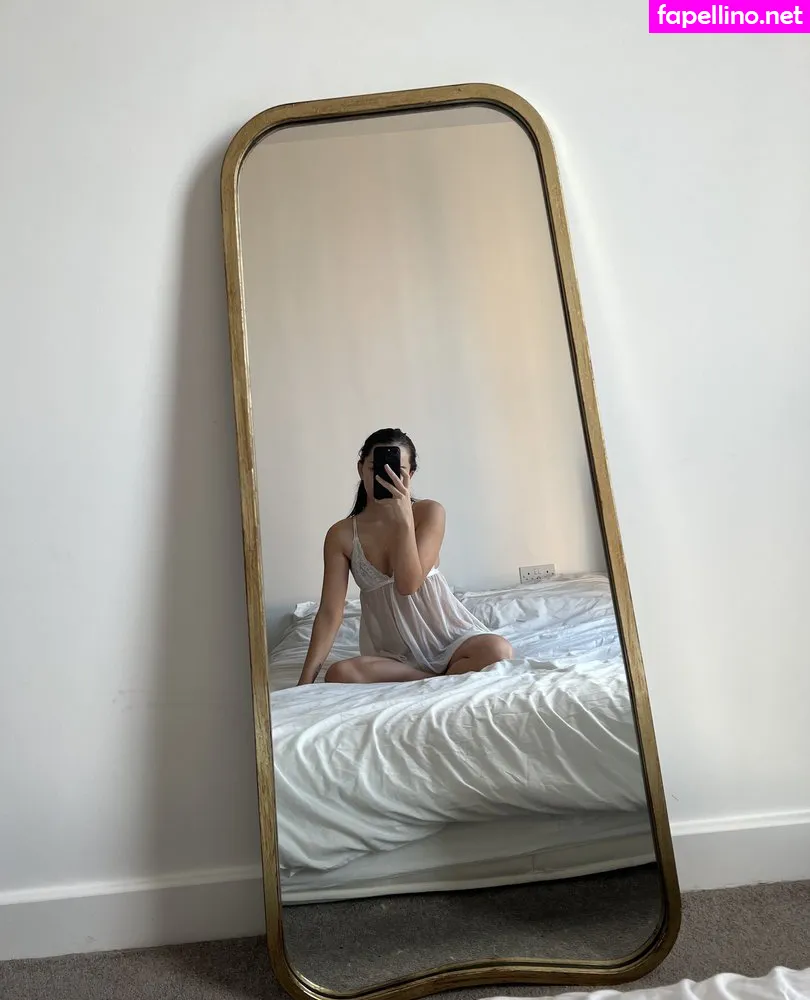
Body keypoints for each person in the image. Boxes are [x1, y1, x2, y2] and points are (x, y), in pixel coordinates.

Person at [297, 428, 513, 685]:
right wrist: (305, 682)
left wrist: (403, 521)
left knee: (498, 650)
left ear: (410, 475)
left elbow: (408, 584)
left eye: (397, 471)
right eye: (376, 469)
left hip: (448, 641)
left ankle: (429, 677)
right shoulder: (341, 534)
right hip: (393, 656)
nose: (386, 477)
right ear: (361, 469)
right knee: (339, 673)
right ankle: (434, 678)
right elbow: (330, 613)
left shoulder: (430, 512)